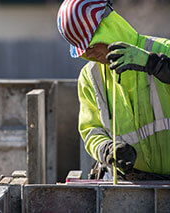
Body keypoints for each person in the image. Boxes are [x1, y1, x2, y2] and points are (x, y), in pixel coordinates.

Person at [57, 0, 170, 180]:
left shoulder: (163, 51)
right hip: (129, 185)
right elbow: (91, 130)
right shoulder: (90, 76)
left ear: (109, 27)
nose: (90, 54)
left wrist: (156, 65)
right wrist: (107, 149)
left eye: (92, 45)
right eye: (84, 50)